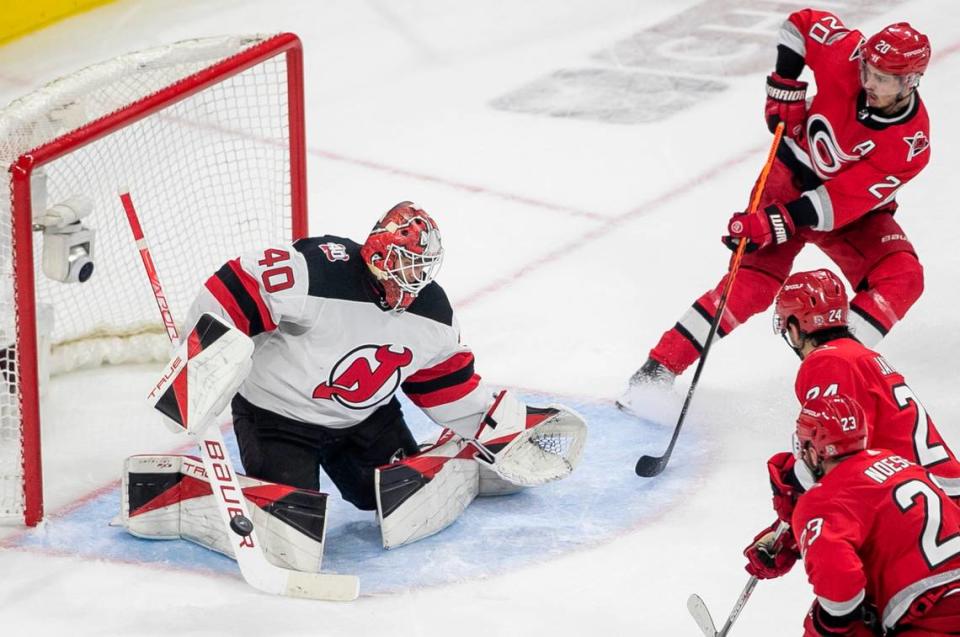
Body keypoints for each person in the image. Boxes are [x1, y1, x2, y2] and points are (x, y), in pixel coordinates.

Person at [621, 9, 932, 395]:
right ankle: (657, 370)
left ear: (911, 82)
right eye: (868, 70)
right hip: (787, 181)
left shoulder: (910, 146)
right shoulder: (849, 55)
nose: (868, 82)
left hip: (851, 216)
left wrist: (772, 223)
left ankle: (832, 369)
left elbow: (837, 205)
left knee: (902, 277)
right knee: (751, 284)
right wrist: (785, 83)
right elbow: (801, 23)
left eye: (883, 80)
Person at [180, 202, 499, 510]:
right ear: (381, 253)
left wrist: (489, 426)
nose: (414, 276)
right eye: (407, 261)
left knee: (401, 496)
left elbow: (445, 382)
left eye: (421, 266)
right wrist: (197, 356)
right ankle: (202, 496)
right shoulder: (319, 271)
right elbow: (236, 285)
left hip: (364, 419)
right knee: (291, 514)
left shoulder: (433, 312)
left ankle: (447, 454)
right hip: (276, 416)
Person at [744, 394, 960, 636]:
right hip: (941, 598)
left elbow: (840, 593)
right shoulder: (898, 463)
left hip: (936, 616)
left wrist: (822, 626)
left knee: (825, 622)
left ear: (813, 452)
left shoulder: (821, 498)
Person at [766, 268, 960, 501]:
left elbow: (837, 452)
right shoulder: (859, 355)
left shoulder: (826, 362)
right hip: (932, 499)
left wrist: (792, 499)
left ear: (795, 328)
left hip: (922, 507)